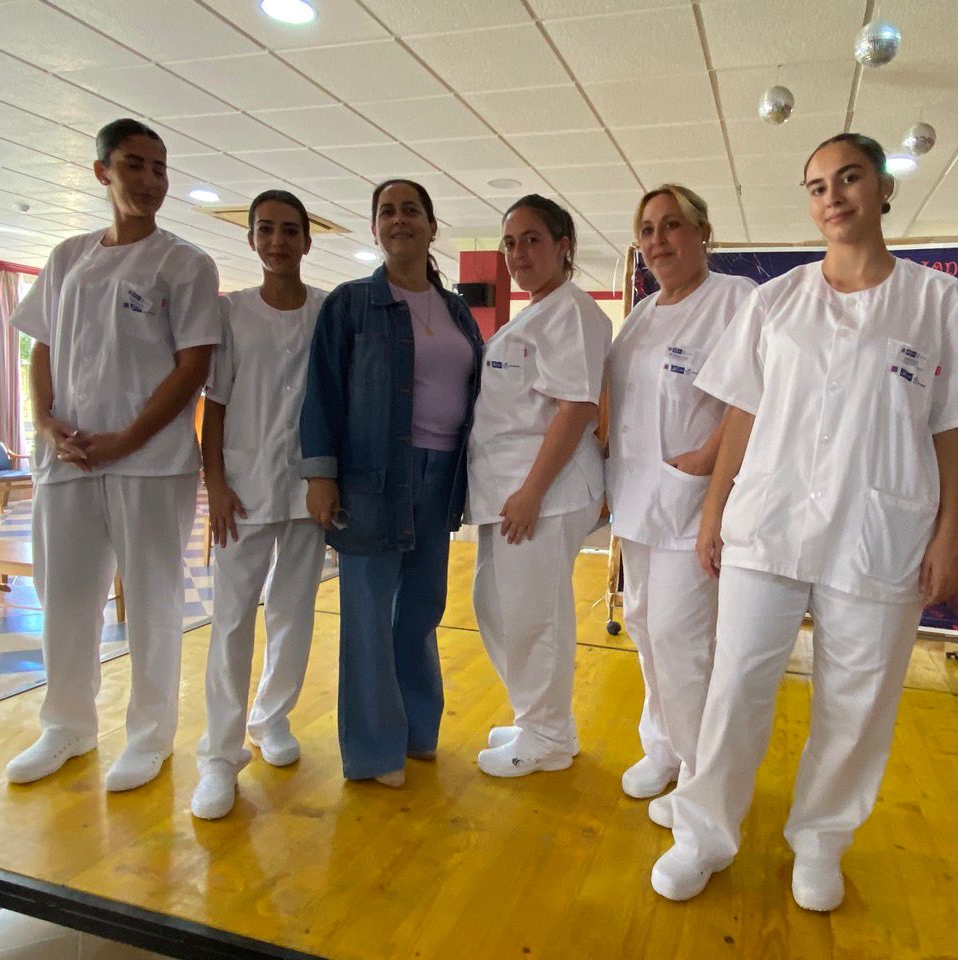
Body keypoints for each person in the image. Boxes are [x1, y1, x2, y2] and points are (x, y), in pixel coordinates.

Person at [650, 133, 958, 908]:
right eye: (816, 186)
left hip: (877, 528)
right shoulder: (775, 301)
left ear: (883, 189)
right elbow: (742, 412)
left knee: (857, 700)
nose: (832, 197)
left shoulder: (938, 302)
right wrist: (715, 509)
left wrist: (951, 533)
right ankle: (704, 835)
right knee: (736, 688)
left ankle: (819, 843)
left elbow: (956, 426)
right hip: (768, 524)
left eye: (848, 179)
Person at [6, 118, 220, 791]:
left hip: (148, 463)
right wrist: (44, 423)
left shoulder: (184, 263)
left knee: (153, 600)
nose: (151, 180)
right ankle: (65, 725)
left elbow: (192, 367)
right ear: (103, 172)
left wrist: (128, 437)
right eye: (135, 165)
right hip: (67, 460)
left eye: (160, 168)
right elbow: (40, 346)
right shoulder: (68, 257)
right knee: (65, 595)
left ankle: (149, 735)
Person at [300, 179, 482, 788]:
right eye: (387, 212)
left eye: (411, 210)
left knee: (422, 610)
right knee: (369, 613)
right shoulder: (350, 304)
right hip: (374, 480)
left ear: (432, 227)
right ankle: (374, 751)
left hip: (442, 476)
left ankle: (415, 732)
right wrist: (321, 476)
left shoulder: (456, 309)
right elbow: (322, 393)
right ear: (375, 228)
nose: (399, 219)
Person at [607, 184, 755, 805]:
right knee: (644, 626)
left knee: (684, 641)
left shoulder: (735, 301)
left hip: (695, 504)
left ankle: (701, 779)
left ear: (702, 233)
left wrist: (706, 457)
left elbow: (757, 393)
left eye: (671, 226)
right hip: (640, 504)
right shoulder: (642, 314)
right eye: (646, 230)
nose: (657, 240)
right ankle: (661, 748)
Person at [190, 190, 328, 819]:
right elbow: (214, 405)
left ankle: (271, 718)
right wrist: (215, 482)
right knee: (232, 619)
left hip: (307, 492)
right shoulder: (231, 313)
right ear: (250, 240)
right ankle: (219, 756)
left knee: (293, 614)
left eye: (289, 230)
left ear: (307, 239)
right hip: (241, 492)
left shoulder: (327, 313)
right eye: (266, 230)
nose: (278, 240)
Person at [467, 194, 612, 778]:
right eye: (509, 242)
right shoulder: (534, 313)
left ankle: (547, 736)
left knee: (535, 617)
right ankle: (540, 718)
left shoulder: (572, 311)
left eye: (532, 239)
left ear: (563, 246)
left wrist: (531, 492)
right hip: (510, 491)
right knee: (497, 605)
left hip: (543, 494)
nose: (518, 252)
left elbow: (575, 408)